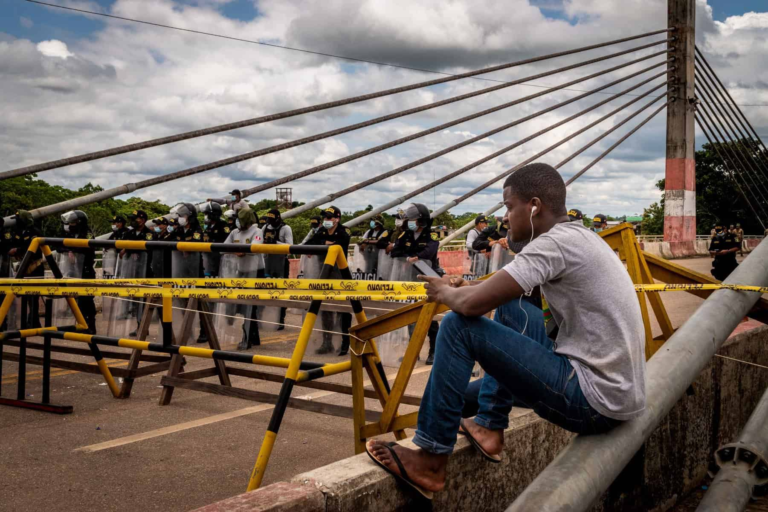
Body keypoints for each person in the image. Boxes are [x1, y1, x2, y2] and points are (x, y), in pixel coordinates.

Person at [366, 163, 644, 498]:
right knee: (465, 387)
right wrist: (466, 287)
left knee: (456, 326)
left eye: (510, 207)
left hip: (594, 400)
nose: (506, 217)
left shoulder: (552, 244)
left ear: (534, 206)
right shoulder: (578, 237)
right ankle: (487, 425)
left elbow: (471, 307)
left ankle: (430, 460)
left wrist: (444, 293)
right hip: (617, 391)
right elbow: (503, 289)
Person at [389, 203, 439, 365]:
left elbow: (429, 252)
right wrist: (407, 257)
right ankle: (413, 351)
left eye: (412, 219)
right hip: (409, 280)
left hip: (427, 279)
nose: (409, 222)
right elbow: (395, 251)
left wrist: (415, 256)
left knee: (430, 316)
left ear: (421, 220)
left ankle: (433, 351)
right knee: (411, 316)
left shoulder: (431, 235)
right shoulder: (406, 235)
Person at [306, 206, 353, 356]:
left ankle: (345, 342)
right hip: (324, 274)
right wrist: (324, 243)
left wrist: (323, 244)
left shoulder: (344, 231)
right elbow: (308, 244)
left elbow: (340, 245)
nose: (326, 220)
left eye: (329, 217)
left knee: (342, 309)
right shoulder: (321, 231)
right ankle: (327, 343)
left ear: (337, 219)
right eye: (325, 217)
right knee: (325, 308)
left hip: (339, 274)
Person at [224, 208, 264, 350]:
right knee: (243, 305)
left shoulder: (257, 231)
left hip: (255, 271)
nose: (237, 222)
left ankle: (247, 338)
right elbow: (224, 246)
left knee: (249, 306)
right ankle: (254, 337)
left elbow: (256, 246)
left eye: (240, 220)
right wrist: (235, 250)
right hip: (240, 271)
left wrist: (243, 251)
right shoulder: (235, 232)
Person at [58, 210, 97, 333]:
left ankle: (91, 325)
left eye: (72, 222)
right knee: (76, 299)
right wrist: (69, 251)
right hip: (72, 270)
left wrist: (73, 250)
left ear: (79, 222)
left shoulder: (87, 233)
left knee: (87, 299)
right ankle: (81, 324)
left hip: (86, 271)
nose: (69, 225)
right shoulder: (69, 233)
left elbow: (88, 248)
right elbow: (58, 246)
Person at [7, 210, 44, 328]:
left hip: (35, 267)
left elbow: (32, 247)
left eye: (18, 219)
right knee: (24, 295)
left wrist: (17, 250)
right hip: (23, 267)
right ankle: (27, 321)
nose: (16, 222)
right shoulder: (17, 231)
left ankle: (33, 321)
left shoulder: (35, 232)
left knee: (33, 296)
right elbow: (12, 242)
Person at [263, 208, 293, 330]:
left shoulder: (286, 228)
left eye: (272, 219)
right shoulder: (265, 227)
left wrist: (276, 243)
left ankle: (280, 319)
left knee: (280, 292)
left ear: (278, 218)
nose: (270, 222)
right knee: (265, 291)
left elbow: (290, 246)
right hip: (267, 263)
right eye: (269, 219)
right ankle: (266, 318)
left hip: (281, 263)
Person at [201, 202, 231, 277]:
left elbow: (227, 240)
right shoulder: (209, 225)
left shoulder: (223, 225)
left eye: (207, 214)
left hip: (219, 257)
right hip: (209, 256)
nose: (206, 216)